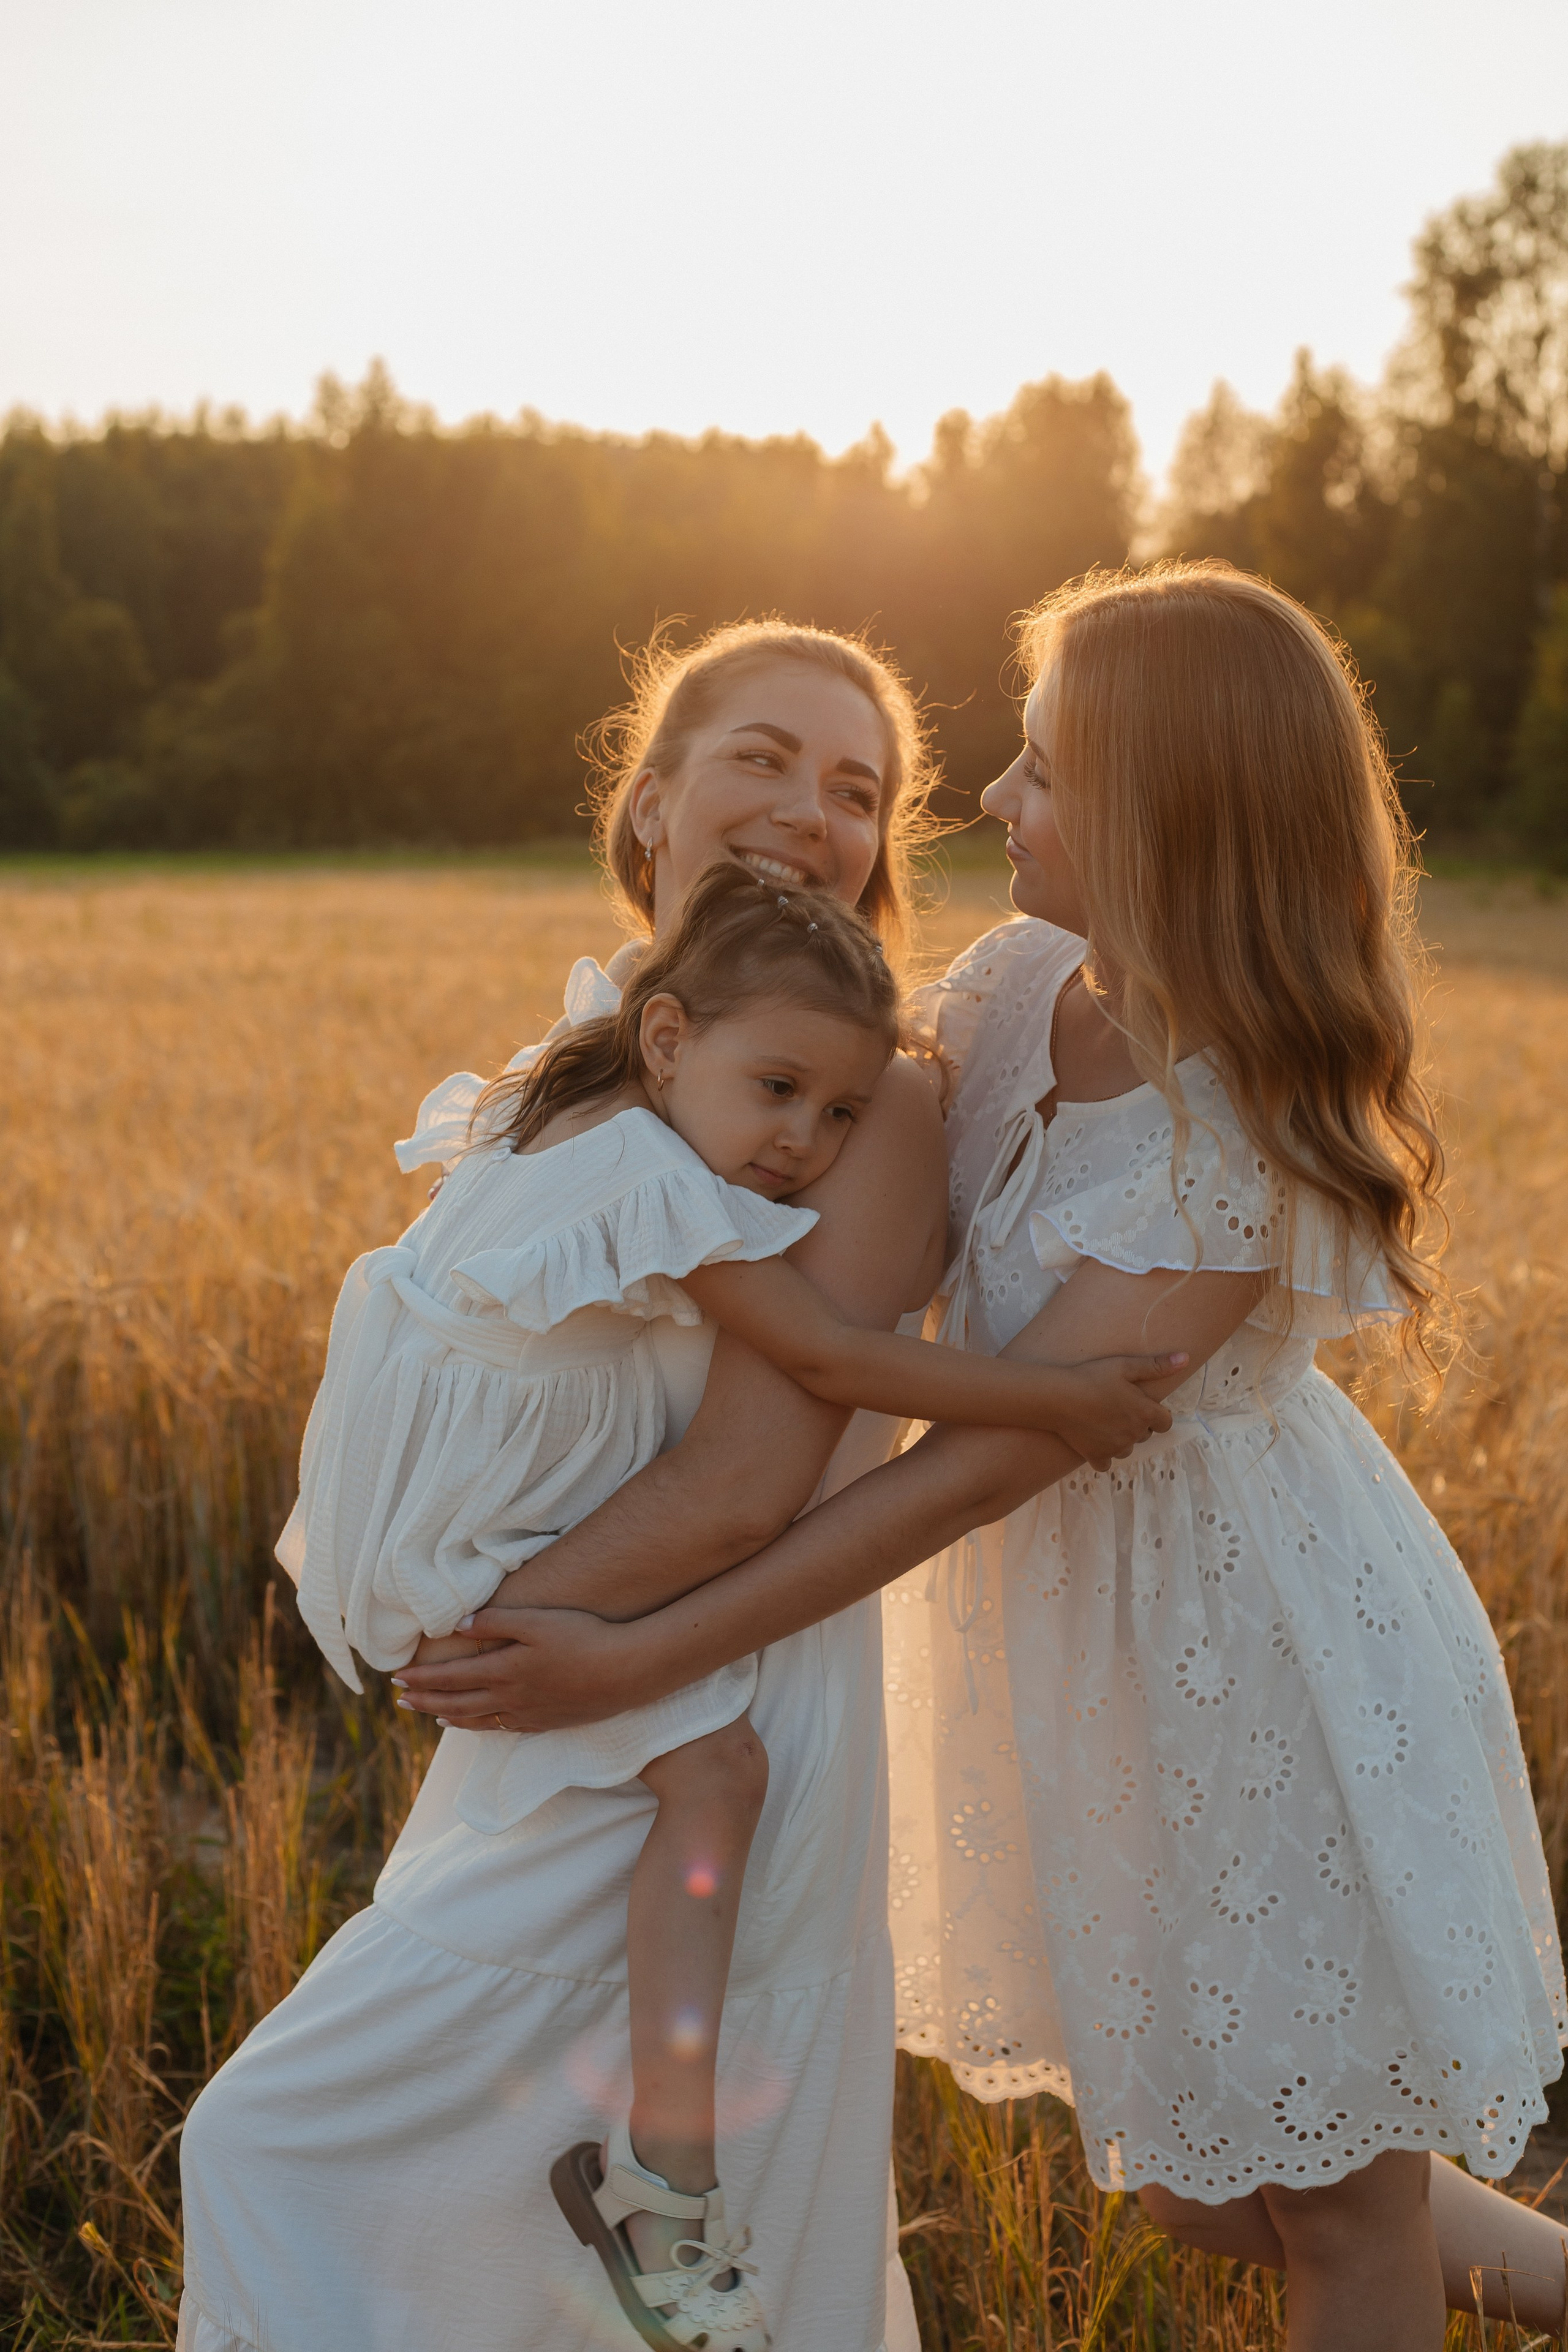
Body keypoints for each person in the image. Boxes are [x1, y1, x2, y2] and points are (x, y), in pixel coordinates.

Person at [403, 565, 1568, 2350]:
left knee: (1336, 2201)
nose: (991, 807)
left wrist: (638, 1653)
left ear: (1172, 824)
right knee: (1191, 2168)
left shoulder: (1238, 1145)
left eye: (1036, 774)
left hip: (1252, 1654)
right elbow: (797, 1115)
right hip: (1086, 1655)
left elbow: (966, 1468)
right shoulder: (1024, 984)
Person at [179, 617, 952, 2352]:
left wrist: (509, 1630)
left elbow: (758, 1477)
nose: (811, 811)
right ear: (652, 794)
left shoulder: (866, 1101)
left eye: (858, 790)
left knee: (291, 2148)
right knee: (431, 2218)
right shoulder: (616, 1047)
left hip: (696, 1674)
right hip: (587, 1666)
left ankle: (662, 2206)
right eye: (763, 756)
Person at [279, 859, 1178, 2351]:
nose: (802, 1144)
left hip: (432, 1499)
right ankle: (665, 2185)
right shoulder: (648, 1175)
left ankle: (662, 2176)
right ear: (666, 1041)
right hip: (453, 1532)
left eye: (836, 1114)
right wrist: (1047, 1398)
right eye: (778, 1091)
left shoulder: (598, 1117)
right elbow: (828, 1360)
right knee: (720, 1769)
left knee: (710, 1771)